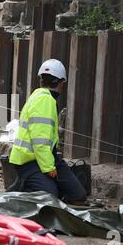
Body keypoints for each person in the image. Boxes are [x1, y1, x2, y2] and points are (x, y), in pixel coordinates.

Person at [9, 59, 86, 204]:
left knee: (77, 194)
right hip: (30, 162)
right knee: (49, 197)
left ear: (41, 80)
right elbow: (40, 140)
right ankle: (19, 189)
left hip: (44, 158)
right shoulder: (44, 100)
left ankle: (34, 184)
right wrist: (48, 168)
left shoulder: (40, 97)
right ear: (61, 82)